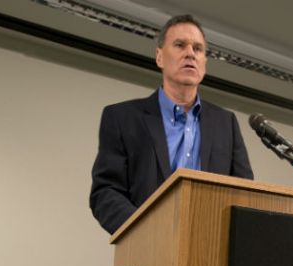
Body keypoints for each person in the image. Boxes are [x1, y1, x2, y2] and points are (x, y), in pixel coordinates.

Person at [89, 14, 254, 234]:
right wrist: (144, 230)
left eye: (198, 48)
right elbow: (106, 191)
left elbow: (244, 194)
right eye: (179, 45)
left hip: (210, 249)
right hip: (146, 251)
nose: (190, 54)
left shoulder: (226, 123)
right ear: (159, 57)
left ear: (204, 62)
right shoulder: (122, 118)